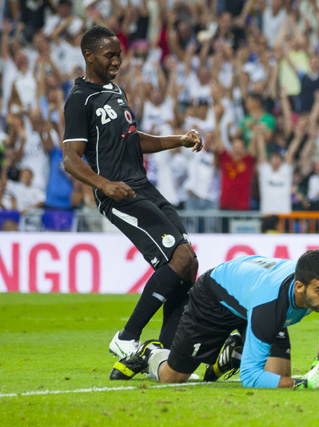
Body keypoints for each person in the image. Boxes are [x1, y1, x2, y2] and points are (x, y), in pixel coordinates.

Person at [62, 26, 203, 358]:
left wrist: (177, 140)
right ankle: (127, 338)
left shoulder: (116, 91)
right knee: (179, 257)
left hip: (142, 185)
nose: (117, 61)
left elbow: (133, 138)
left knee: (189, 263)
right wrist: (104, 185)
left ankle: (170, 355)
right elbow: (71, 158)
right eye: (110, 55)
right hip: (119, 194)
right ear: (89, 55)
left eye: (119, 56)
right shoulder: (80, 100)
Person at [110, 250, 319, 390]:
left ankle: (234, 354)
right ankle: (150, 352)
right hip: (215, 298)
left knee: (278, 374)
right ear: (300, 286)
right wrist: (304, 384)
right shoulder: (271, 306)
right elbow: (251, 378)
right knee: (173, 377)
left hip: (250, 295)